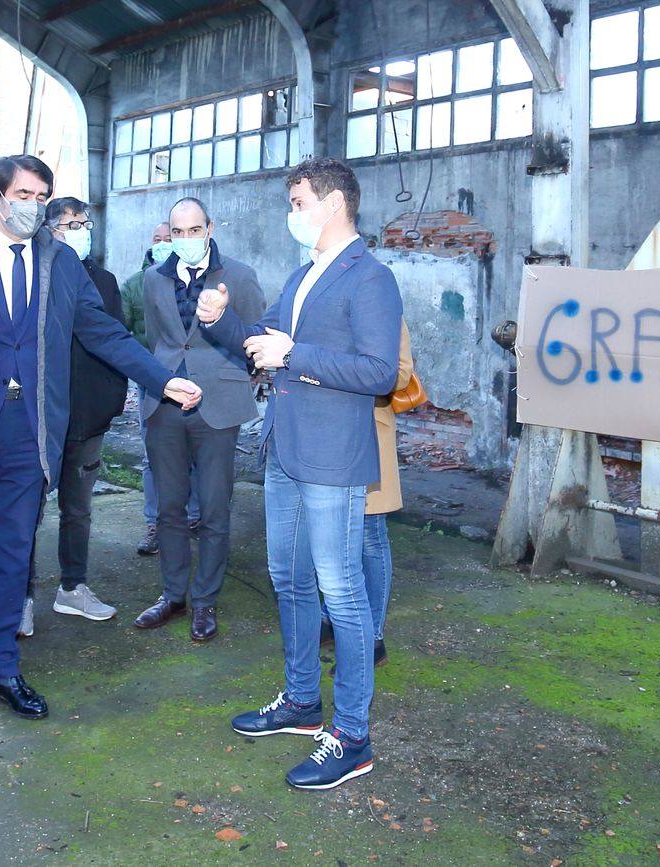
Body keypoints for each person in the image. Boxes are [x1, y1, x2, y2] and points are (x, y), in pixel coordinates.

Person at [0, 154, 201, 723]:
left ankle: (1, 668)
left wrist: (161, 378)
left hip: (28, 429)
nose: (34, 205)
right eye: (24, 194)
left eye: (42, 196)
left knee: (11, 552)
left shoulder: (60, 262)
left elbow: (103, 330)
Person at [199, 158, 402, 790]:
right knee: (289, 580)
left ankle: (352, 733)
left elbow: (379, 374)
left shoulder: (370, 278)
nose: (292, 214)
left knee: (341, 590)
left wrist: (298, 354)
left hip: (333, 457)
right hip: (286, 451)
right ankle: (300, 700)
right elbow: (265, 339)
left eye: (298, 202)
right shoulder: (305, 274)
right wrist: (220, 323)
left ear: (335, 203)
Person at [132, 197, 264, 642]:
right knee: (169, 508)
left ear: (209, 228)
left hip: (218, 407)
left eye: (194, 231)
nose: (186, 240)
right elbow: (158, 340)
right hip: (165, 404)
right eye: (177, 233)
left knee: (213, 508)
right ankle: (172, 595)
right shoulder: (153, 279)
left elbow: (254, 338)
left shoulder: (240, 276)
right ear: (169, 234)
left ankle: (205, 601)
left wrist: (225, 375)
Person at [10, 197, 126, 638]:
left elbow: (114, 343)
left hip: (87, 418)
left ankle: (73, 587)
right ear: (47, 230)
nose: (81, 231)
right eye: (70, 224)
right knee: (27, 510)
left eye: (84, 223)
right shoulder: (28, 278)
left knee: (77, 509)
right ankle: (19, 597)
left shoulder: (104, 281)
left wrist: (109, 403)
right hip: (38, 418)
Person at [321, 320, 413, 671]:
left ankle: (372, 637)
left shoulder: (382, 305)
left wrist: (345, 376)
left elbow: (401, 374)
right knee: (329, 534)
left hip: (370, 431)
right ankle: (331, 619)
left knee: (370, 537)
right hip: (326, 432)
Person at [121, 222, 200, 556]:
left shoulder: (200, 282)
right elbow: (119, 335)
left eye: (172, 239)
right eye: (159, 240)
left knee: (195, 453)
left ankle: (195, 517)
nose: (165, 245)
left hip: (194, 382)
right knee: (154, 455)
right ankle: (155, 523)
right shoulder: (135, 286)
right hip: (152, 384)